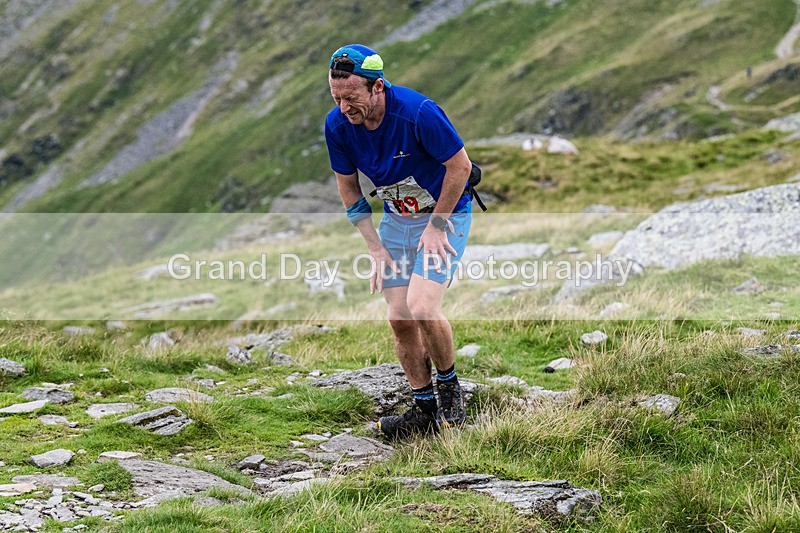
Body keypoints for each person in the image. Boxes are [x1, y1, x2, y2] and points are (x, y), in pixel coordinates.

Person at [324, 44, 474, 440]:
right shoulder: (337, 126)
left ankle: (450, 391)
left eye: (352, 97)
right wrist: (375, 247)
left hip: (444, 215)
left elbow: (461, 166)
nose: (344, 108)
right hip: (397, 220)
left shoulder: (418, 112)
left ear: (378, 87)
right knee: (398, 317)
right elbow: (348, 186)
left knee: (423, 307)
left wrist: (437, 226)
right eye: (336, 98)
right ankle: (423, 409)